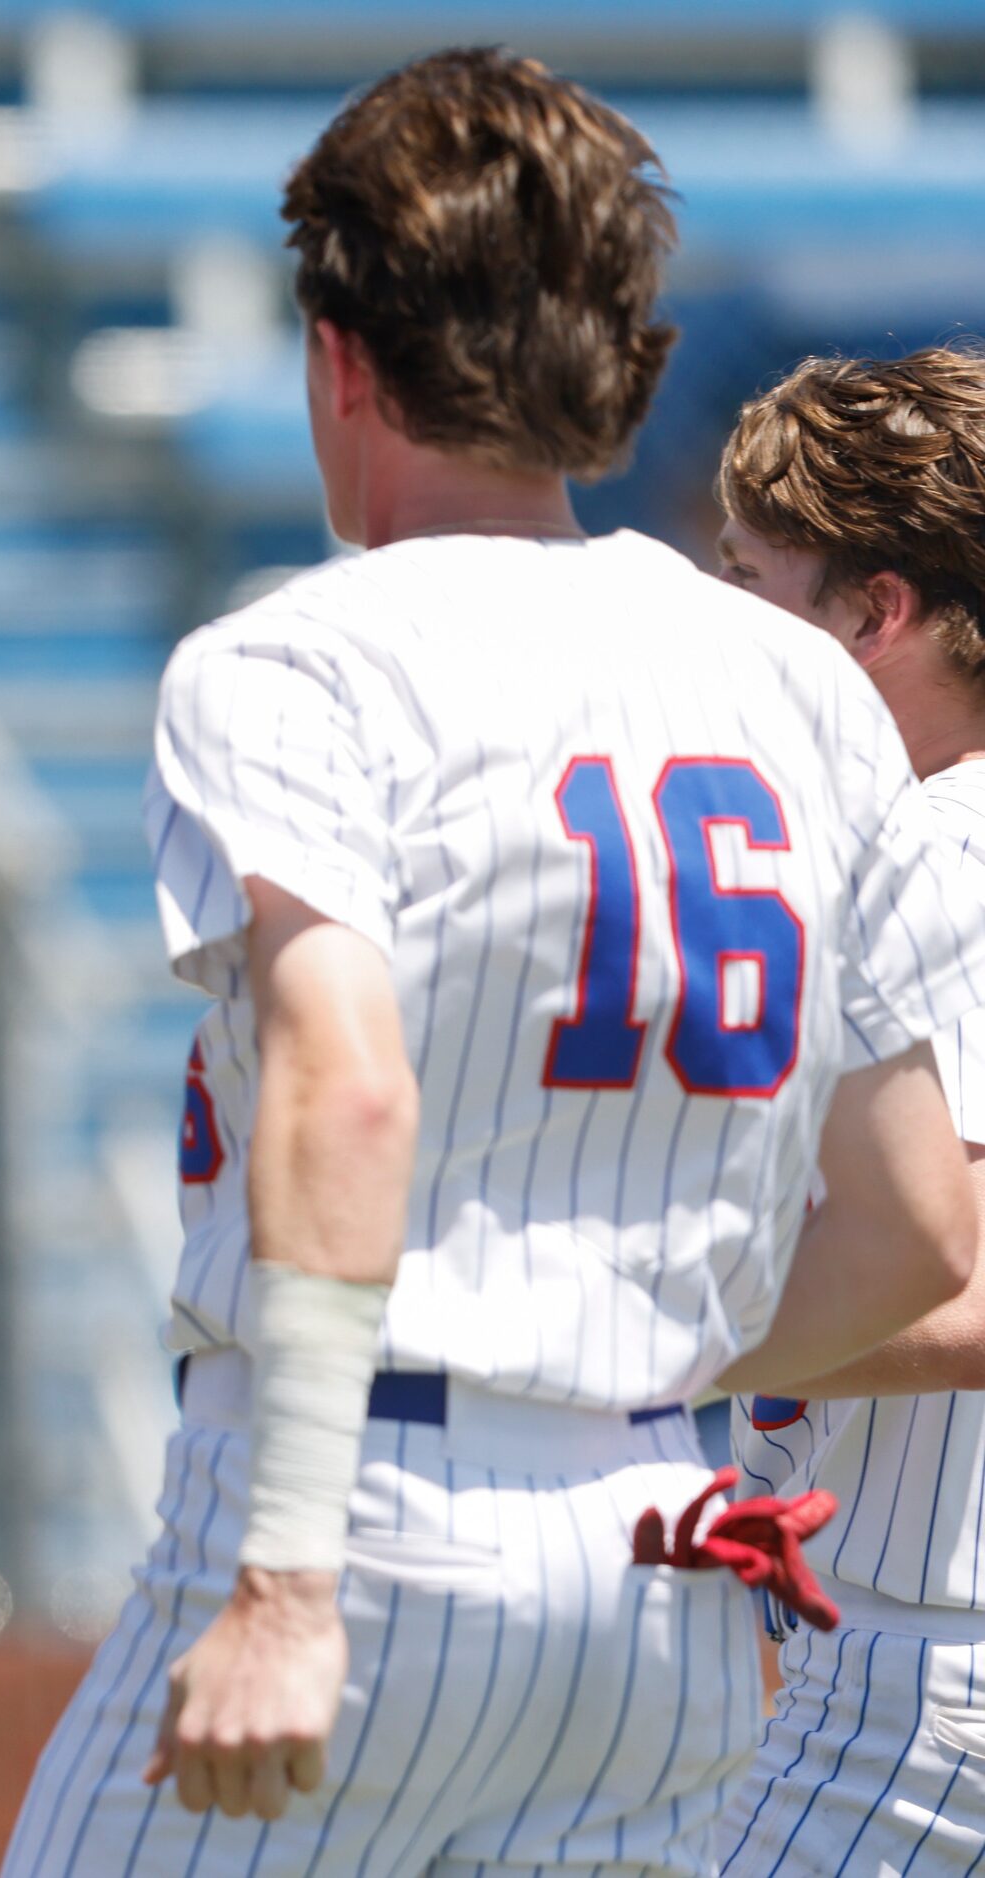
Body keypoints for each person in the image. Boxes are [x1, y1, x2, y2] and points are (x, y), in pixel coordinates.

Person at [4, 49, 985, 1874]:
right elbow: (919, 1230)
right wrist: (611, 1369)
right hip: (663, 1559)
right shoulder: (792, 684)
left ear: (338, 354)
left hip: (361, 1509)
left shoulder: (289, 661)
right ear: (624, 365)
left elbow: (348, 1082)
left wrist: (289, 1570)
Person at [707, 343, 985, 1873]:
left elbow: (965, 1287)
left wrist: (612, 1321)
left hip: (917, 1687)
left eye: (753, 575)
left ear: (875, 613)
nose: (719, 614)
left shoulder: (933, 852)